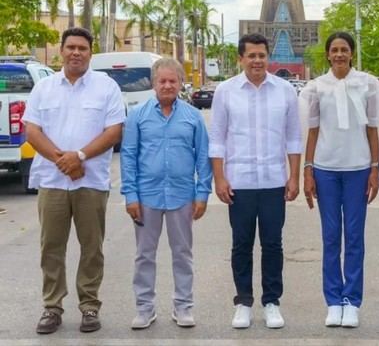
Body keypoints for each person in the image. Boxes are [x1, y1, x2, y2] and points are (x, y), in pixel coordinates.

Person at [23, 27, 125, 334]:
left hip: (90, 182)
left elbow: (113, 131)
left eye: (82, 48)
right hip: (52, 182)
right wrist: (63, 160)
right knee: (50, 247)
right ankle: (52, 307)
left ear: (90, 53)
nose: (76, 52)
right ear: (62, 50)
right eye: (71, 47)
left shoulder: (106, 87)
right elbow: (32, 130)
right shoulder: (44, 88)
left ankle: (89, 305)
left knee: (91, 247)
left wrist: (79, 156)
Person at [209, 33, 302, 329]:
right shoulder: (226, 91)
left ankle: (272, 301)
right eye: (251, 55)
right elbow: (218, 139)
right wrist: (220, 178)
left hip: (274, 181)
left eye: (262, 55)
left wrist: (294, 176)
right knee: (241, 244)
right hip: (240, 182)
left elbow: (293, 137)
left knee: (273, 244)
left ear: (267, 58)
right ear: (241, 58)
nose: (257, 60)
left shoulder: (285, 90)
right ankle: (244, 302)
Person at [299, 31, 379, 328]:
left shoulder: (367, 84)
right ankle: (333, 301)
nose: (339, 54)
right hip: (325, 170)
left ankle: (351, 301)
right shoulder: (315, 88)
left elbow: (373, 129)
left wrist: (375, 168)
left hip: (358, 170)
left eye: (344, 49)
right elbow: (312, 131)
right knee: (330, 236)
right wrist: (307, 170)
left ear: (351, 53)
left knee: (354, 237)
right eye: (334, 50)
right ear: (327, 54)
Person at [121, 58, 212, 330]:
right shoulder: (138, 115)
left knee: (182, 254)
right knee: (144, 255)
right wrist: (130, 195)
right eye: (162, 80)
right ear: (153, 83)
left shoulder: (192, 116)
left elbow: (203, 158)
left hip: (182, 196)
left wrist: (202, 193)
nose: (167, 85)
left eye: (173, 80)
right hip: (146, 196)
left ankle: (183, 307)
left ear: (181, 83)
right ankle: (144, 308)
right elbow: (128, 155)